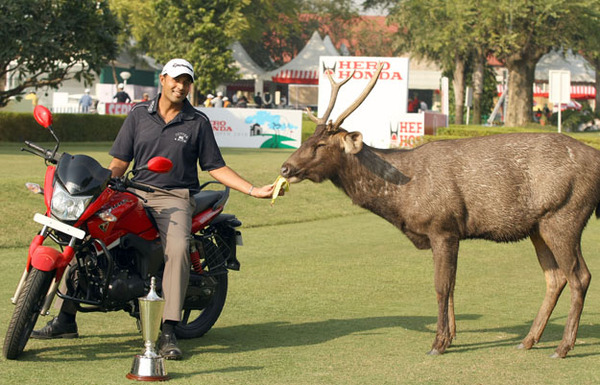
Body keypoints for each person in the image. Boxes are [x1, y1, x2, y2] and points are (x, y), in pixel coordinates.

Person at [30, 58, 277, 360]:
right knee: (83, 231)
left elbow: (215, 167)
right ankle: (66, 319)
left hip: (173, 198)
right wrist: (101, 189)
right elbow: (119, 162)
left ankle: (169, 330)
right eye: (176, 79)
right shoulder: (137, 115)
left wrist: (253, 189)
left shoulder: (197, 122)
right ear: (162, 80)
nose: (181, 86)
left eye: (187, 81)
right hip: (132, 191)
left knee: (178, 248)